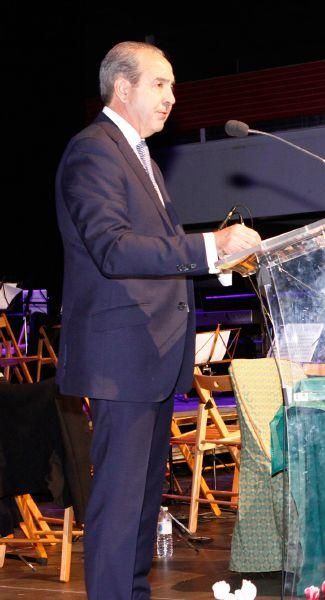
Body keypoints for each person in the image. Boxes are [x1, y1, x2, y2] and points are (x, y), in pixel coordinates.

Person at [55, 42, 261, 600]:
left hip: (148, 359)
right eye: (160, 84)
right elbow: (114, 249)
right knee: (119, 514)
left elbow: (156, 249)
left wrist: (215, 258)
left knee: (141, 514)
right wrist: (207, 248)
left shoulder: (139, 156)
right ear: (123, 87)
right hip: (120, 360)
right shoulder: (94, 152)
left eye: (173, 86)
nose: (173, 97)